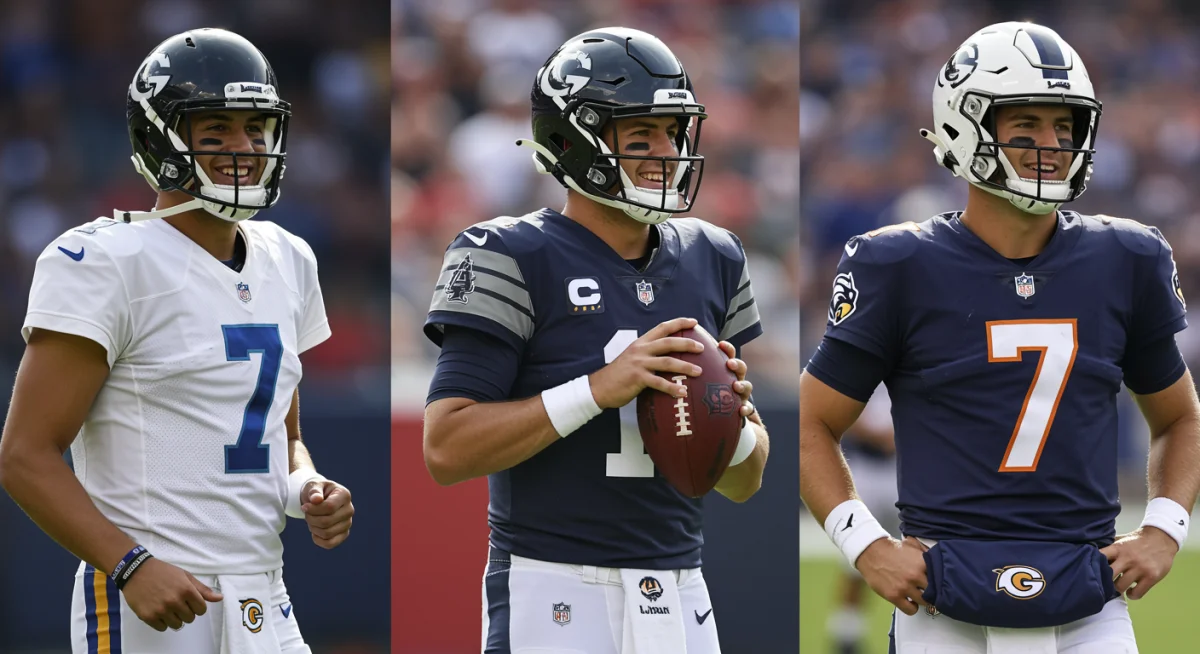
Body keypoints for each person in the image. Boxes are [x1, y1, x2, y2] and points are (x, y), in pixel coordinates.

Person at [800, 21, 1200, 654]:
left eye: (1065, 127)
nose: (1053, 145)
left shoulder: (1126, 256)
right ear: (965, 125)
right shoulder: (898, 263)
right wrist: (864, 544)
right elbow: (809, 421)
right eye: (1028, 126)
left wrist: (1164, 527)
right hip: (942, 597)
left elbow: (1179, 417)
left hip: (1088, 599)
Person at [0, 28, 354, 654]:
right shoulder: (105, 260)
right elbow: (25, 454)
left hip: (265, 598)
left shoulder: (289, 256)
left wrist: (307, 486)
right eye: (214, 129)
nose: (242, 147)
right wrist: (130, 564)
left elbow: (284, 435)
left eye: (255, 128)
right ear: (158, 137)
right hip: (154, 601)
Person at [421, 27, 769, 654]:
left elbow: (746, 482)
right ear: (572, 142)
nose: (666, 152)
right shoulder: (507, 252)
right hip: (553, 587)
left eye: (673, 132)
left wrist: (734, 424)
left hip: (684, 589)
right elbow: (445, 449)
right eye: (641, 136)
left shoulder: (713, 255)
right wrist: (599, 390)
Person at [824, 386, 897, 654]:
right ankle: (846, 634)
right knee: (856, 558)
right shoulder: (865, 365)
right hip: (865, 468)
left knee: (923, 550)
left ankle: (926, 627)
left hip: (904, 469)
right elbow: (839, 413)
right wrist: (881, 435)